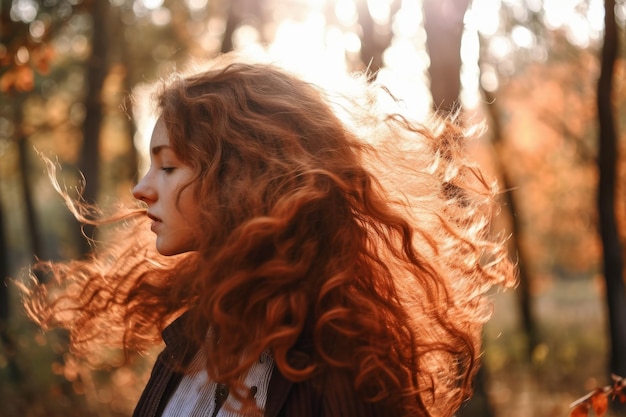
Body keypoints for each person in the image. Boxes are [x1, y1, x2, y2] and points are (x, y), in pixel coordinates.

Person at [22, 53, 516, 417]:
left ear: (242, 177)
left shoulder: (336, 366)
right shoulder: (191, 341)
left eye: (168, 166)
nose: (140, 189)